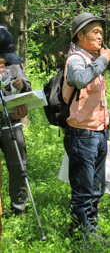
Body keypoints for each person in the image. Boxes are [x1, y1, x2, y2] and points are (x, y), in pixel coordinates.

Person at [62, 12, 110, 245]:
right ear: (79, 35)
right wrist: (103, 60)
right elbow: (81, 79)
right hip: (82, 134)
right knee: (84, 190)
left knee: (96, 187)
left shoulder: (92, 58)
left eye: (101, 32)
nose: (100, 36)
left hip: (100, 132)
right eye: (95, 31)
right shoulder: (76, 59)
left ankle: (87, 231)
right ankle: (84, 237)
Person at [0, 26, 30, 243]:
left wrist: (22, 85)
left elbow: (27, 87)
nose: (5, 62)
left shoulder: (14, 64)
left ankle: (19, 207)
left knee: (19, 165)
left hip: (11, 121)